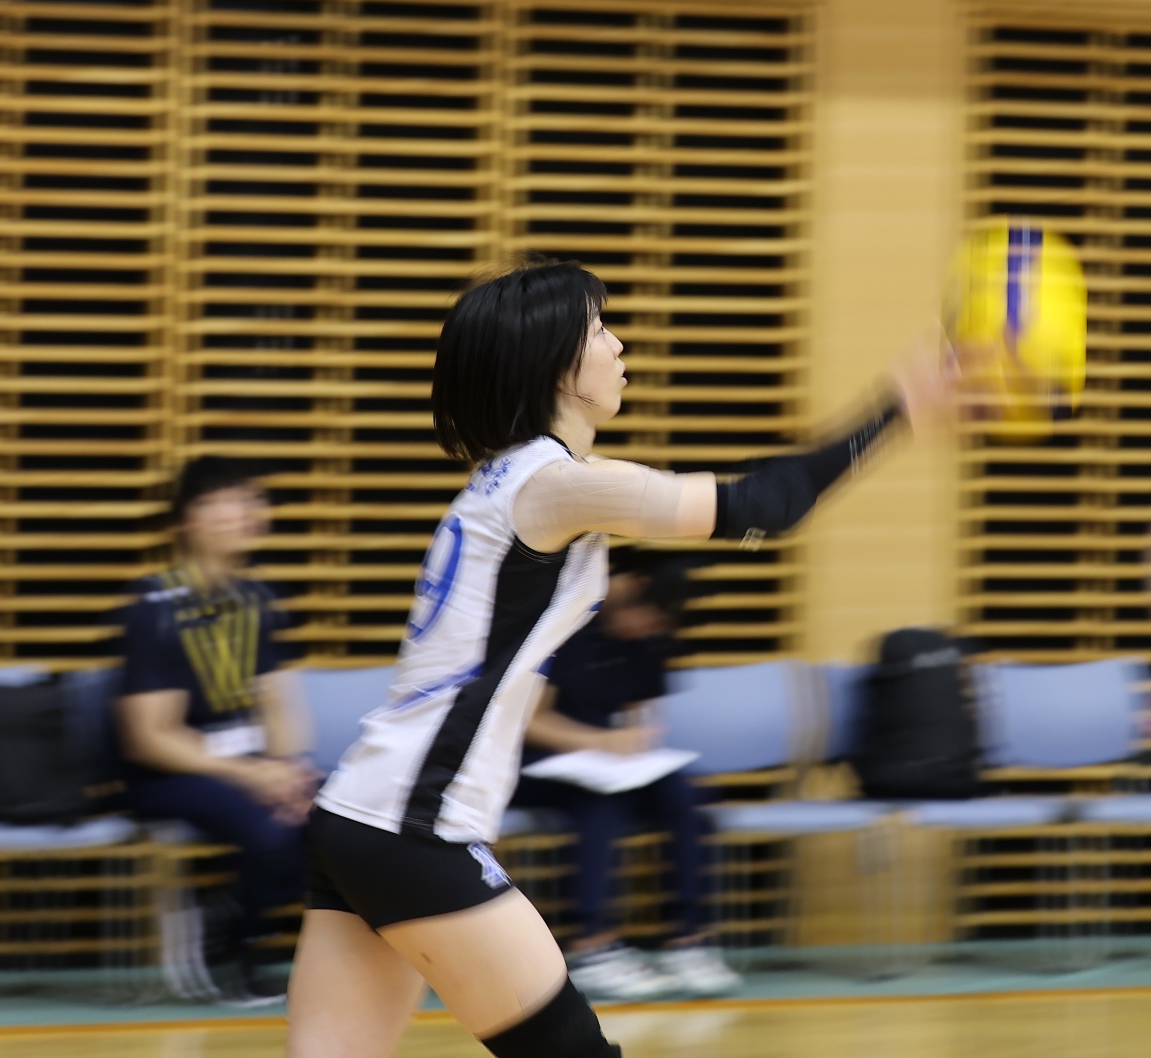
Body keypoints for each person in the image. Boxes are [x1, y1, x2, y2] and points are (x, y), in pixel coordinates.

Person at [287, 259, 950, 1058]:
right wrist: (896, 410)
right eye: (600, 330)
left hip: (357, 814)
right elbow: (765, 509)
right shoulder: (553, 485)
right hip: (412, 827)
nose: (618, 345)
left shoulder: (506, 482)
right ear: (556, 367)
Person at [116, 456, 317, 1006]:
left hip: (249, 766)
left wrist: (289, 770)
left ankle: (247, 920)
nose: (244, 513)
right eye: (225, 501)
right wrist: (251, 776)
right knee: (269, 830)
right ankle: (234, 943)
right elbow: (150, 736)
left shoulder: (259, 601)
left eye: (251, 500)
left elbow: (279, 705)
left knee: (341, 816)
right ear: (187, 520)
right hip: (172, 772)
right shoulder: (154, 606)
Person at [512, 553, 738, 1003]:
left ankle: (689, 939)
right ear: (634, 585)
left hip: (602, 764)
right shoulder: (564, 621)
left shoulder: (648, 639)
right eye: (647, 617)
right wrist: (601, 742)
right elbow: (529, 721)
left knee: (686, 795)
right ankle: (593, 946)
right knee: (601, 805)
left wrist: (639, 741)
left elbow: (641, 715)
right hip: (534, 765)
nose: (647, 629)